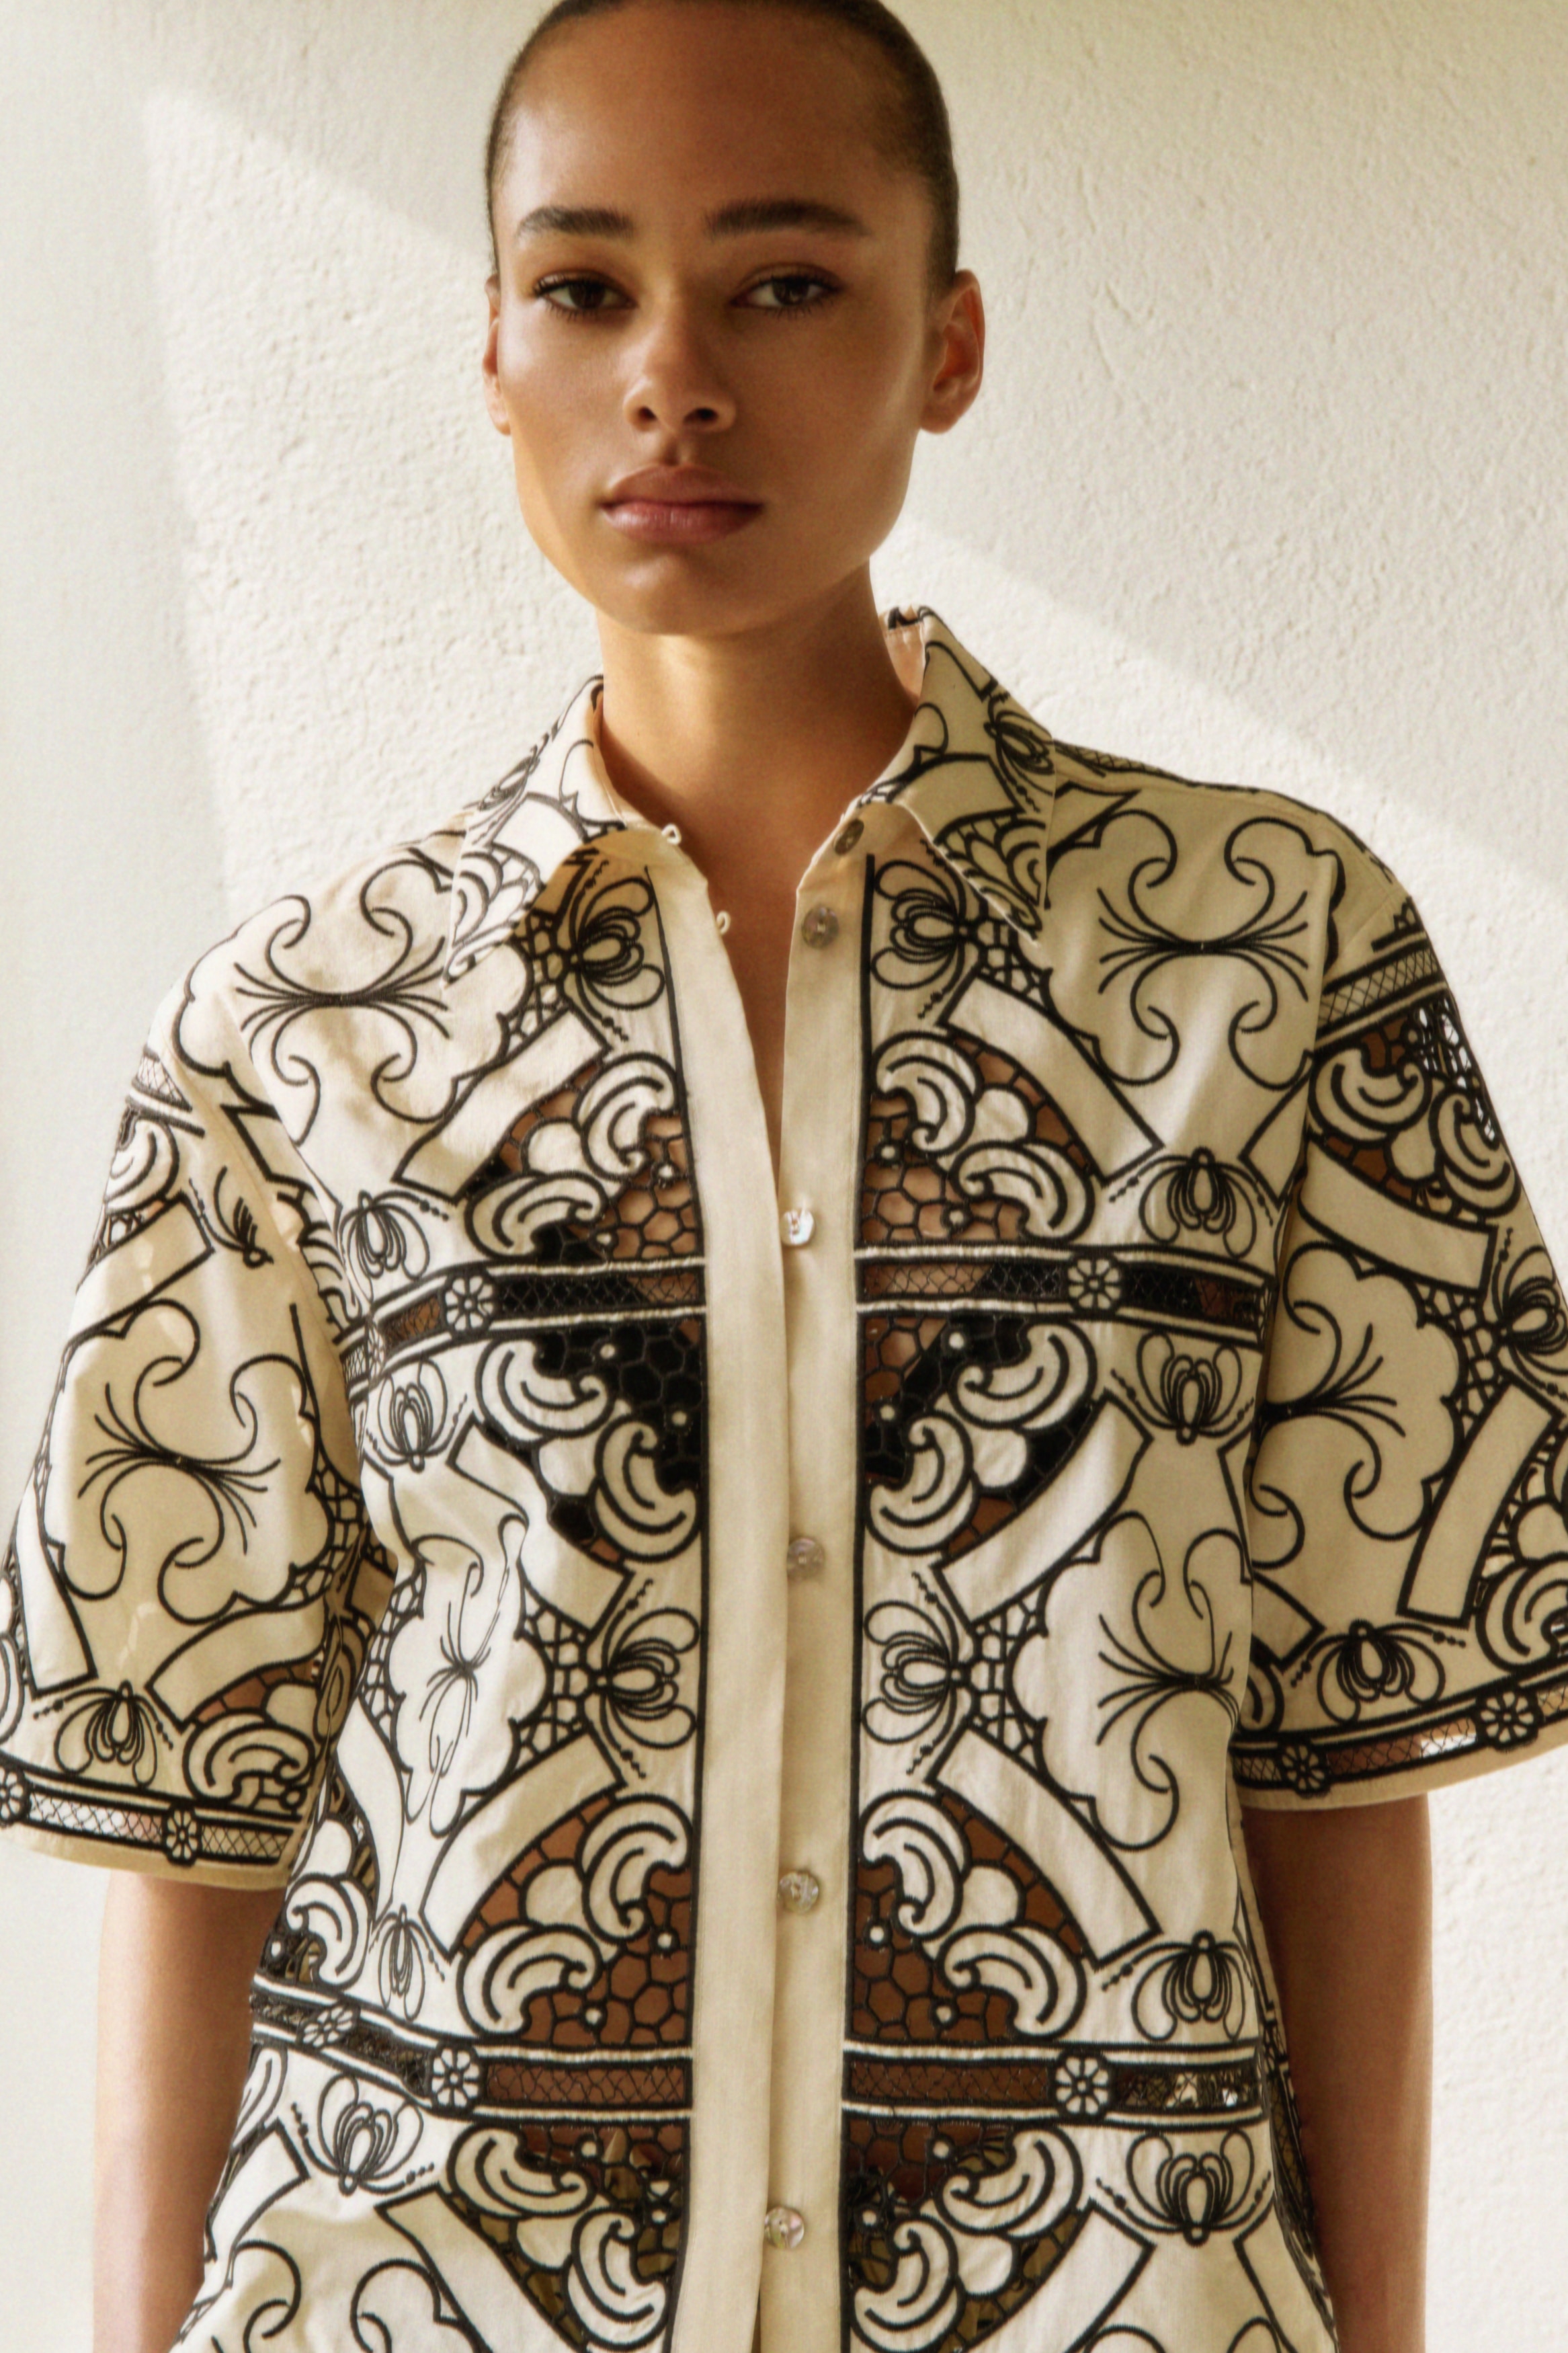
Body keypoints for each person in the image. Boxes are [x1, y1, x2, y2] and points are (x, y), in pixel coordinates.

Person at [3, 3, 1563, 2348]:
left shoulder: (1269, 957)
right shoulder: (295, 1034)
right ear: (494, 350)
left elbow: (1337, 1773)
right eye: (585, 286)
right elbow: (197, 1816)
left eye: (787, 283)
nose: (673, 378)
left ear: (949, 344)